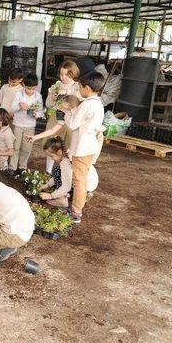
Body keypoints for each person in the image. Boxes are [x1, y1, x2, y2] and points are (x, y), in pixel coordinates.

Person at [65, 71, 105, 223]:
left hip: (81, 147)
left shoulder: (86, 105)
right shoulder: (98, 104)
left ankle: (76, 211)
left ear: (87, 88)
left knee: (79, 180)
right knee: (82, 177)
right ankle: (79, 204)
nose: (79, 90)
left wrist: (69, 112)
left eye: (80, 87)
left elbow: (73, 124)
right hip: (90, 146)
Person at [0, 170, 34, 260]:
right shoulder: (0, 187)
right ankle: (5, 242)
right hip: (24, 230)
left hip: (16, 236)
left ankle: (6, 248)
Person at [38, 137, 99, 209]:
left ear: (59, 152)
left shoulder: (65, 163)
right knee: (59, 171)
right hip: (91, 182)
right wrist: (47, 185)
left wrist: (51, 195)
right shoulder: (68, 153)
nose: (52, 159)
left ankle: (62, 200)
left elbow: (66, 186)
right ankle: (84, 194)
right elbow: (60, 176)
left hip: (86, 184)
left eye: (52, 156)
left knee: (57, 170)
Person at [44, 60, 81, 173]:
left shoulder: (78, 87)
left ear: (73, 74)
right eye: (61, 74)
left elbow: (79, 104)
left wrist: (70, 104)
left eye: (66, 75)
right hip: (56, 118)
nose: (63, 77)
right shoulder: (56, 86)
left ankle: (64, 172)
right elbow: (48, 104)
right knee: (52, 144)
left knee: (67, 147)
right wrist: (54, 99)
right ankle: (48, 172)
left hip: (70, 120)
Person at [9, 73, 43, 174]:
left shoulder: (38, 96)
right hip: (18, 124)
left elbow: (40, 111)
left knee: (27, 148)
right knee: (16, 146)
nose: (31, 91)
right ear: (24, 85)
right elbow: (12, 108)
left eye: (33, 89)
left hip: (30, 126)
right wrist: (20, 106)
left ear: (36, 87)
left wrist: (36, 114)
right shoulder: (19, 94)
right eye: (28, 88)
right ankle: (12, 167)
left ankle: (22, 167)